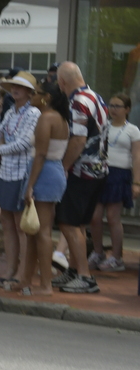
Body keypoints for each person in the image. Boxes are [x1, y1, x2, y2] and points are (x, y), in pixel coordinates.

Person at [51, 62, 107, 293]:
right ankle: (74, 271)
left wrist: (63, 166)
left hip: (81, 171)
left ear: (63, 82)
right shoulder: (96, 97)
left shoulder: (78, 101)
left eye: (59, 83)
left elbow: (78, 140)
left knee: (68, 222)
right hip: (98, 170)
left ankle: (84, 276)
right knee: (78, 223)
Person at [17, 79, 70, 295]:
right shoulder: (60, 118)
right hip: (51, 170)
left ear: (46, 98)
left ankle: (46, 284)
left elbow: (40, 154)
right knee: (33, 232)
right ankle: (26, 280)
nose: (32, 96)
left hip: (44, 172)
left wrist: (30, 186)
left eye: (36, 93)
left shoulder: (47, 117)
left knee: (42, 231)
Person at [0, 71, 39, 288]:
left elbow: (25, 144)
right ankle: (9, 270)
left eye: (20, 87)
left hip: (22, 173)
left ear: (29, 91)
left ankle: (22, 273)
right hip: (6, 173)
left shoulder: (34, 113)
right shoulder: (9, 113)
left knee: (21, 227)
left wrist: (1, 148)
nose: (14, 90)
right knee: (7, 224)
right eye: (12, 86)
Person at [93, 94, 138, 272]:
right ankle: (98, 252)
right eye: (111, 105)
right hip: (101, 173)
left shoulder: (133, 130)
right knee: (94, 216)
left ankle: (117, 257)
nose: (113, 109)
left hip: (120, 175)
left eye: (118, 106)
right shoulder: (103, 126)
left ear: (127, 109)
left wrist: (137, 182)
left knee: (113, 217)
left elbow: (137, 156)